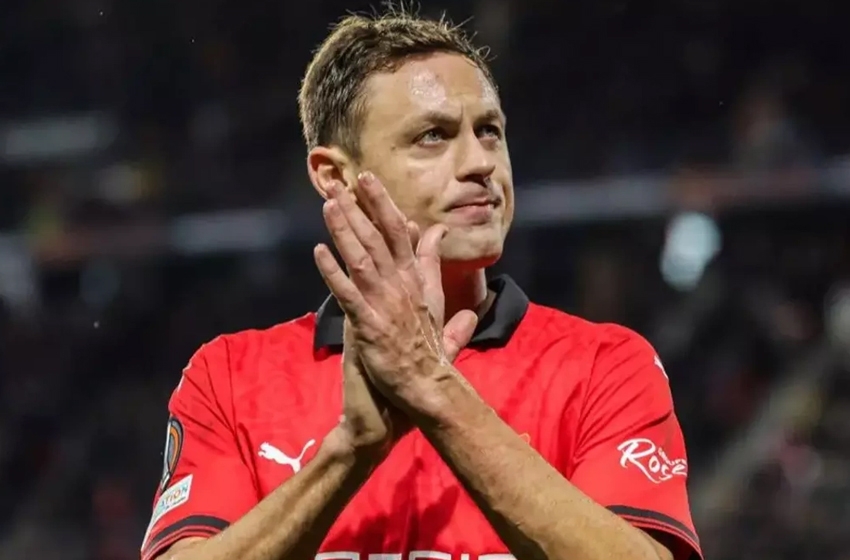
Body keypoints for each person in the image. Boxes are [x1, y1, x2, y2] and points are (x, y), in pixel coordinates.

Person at [140, 8, 702, 560]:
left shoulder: (606, 367)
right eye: (433, 136)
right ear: (335, 176)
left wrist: (433, 390)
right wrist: (349, 454)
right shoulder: (229, 380)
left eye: (490, 131)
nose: (480, 163)